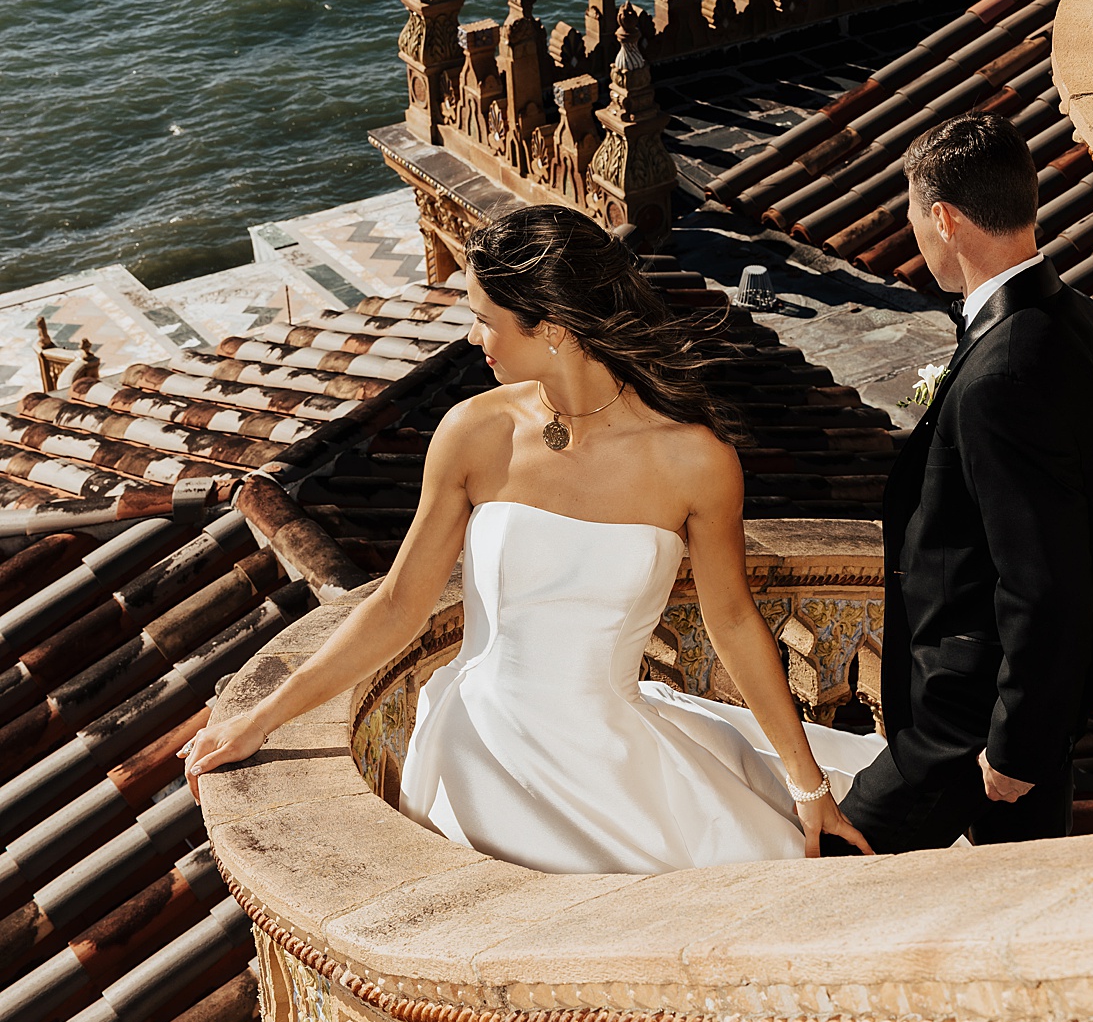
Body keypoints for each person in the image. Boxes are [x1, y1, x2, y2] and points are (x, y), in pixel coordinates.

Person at [183, 204, 878, 872]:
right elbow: (398, 604)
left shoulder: (696, 459)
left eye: (482, 319)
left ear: (549, 326)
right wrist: (262, 719)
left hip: (620, 759)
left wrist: (808, 788)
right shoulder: (473, 432)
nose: (469, 338)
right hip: (479, 755)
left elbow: (732, 621)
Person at [826, 112, 1093, 857]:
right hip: (1019, 706)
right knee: (1015, 887)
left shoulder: (1002, 374)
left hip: (968, 722)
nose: (913, 233)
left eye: (912, 216)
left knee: (839, 865)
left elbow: (1046, 577)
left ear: (943, 219)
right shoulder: (1081, 318)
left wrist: (1017, 745)